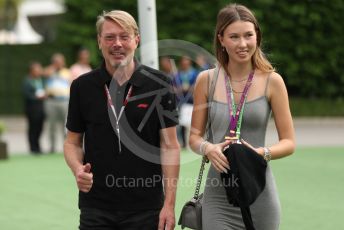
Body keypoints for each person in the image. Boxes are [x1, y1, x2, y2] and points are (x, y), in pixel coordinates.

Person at [63, 10, 180, 230]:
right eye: (109, 37)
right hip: (95, 207)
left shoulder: (159, 84)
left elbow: (170, 145)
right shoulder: (82, 87)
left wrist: (169, 205)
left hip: (147, 208)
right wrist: (77, 168)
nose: (117, 43)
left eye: (124, 36)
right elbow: (72, 142)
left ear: (136, 39)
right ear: (99, 41)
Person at [189, 4, 295, 230]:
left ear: (257, 35)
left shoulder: (272, 81)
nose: (242, 44)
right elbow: (194, 138)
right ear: (221, 39)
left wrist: (260, 153)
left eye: (248, 35)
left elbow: (289, 143)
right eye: (234, 37)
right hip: (218, 196)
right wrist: (208, 148)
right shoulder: (205, 80)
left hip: (260, 191)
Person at [44, 53, 71, 153]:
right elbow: (44, 73)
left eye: (59, 62)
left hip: (64, 101)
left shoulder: (68, 72)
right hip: (51, 101)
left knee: (66, 125)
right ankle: (52, 147)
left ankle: (67, 148)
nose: (58, 64)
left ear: (63, 62)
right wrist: (53, 68)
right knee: (51, 125)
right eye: (55, 62)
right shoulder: (50, 71)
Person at [174, 55, 198, 148]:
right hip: (181, 101)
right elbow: (173, 87)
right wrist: (178, 89)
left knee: (192, 123)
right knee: (182, 123)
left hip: (191, 101)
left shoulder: (195, 73)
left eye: (187, 63)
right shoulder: (177, 75)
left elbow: (198, 83)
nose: (185, 65)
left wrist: (192, 88)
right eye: (183, 63)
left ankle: (192, 142)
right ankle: (184, 143)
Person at [22, 61, 46, 154]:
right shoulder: (27, 81)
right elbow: (26, 94)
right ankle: (33, 148)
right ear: (31, 71)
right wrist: (36, 97)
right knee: (33, 128)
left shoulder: (41, 80)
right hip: (32, 108)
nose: (39, 71)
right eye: (37, 70)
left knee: (40, 127)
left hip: (40, 107)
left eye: (40, 69)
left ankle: (38, 146)